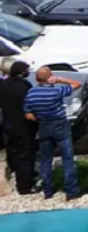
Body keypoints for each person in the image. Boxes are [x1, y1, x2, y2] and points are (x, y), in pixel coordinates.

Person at [24, 66, 84, 200]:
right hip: (60, 125)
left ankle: (48, 190)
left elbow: (28, 115)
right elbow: (77, 84)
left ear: (36, 78)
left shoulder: (31, 93)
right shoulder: (57, 90)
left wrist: (40, 118)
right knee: (67, 158)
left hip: (44, 126)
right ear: (50, 76)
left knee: (46, 160)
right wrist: (59, 79)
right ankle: (71, 191)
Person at [0, 61, 36, 194]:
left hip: (8, 126)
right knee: (25, 157)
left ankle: (20, 176)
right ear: (22, 72)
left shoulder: (3, 85)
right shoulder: (24, 87)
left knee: (14, 153)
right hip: (23, 127)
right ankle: (25, 186)